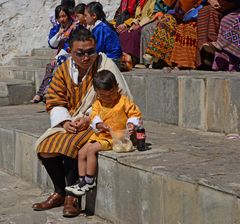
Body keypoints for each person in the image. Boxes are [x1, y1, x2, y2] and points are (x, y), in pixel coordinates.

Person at [32, 28, 132, 217]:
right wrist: (64, 122)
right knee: (44, 148)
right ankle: (60, 191)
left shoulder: (105, 65)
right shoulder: (63, 70)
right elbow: (54, 99)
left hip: (102, 122)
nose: (86, 57)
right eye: (80, 53)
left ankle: (72, 197)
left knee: (72, 145)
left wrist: (89, 118)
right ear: (70, 51)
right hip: (71, 120)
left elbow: (118, 98)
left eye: (90, 52)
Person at [65, 70, 142, 196]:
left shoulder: (124, 101)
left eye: (111, 94)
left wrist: (131, 124)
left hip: (116, 137)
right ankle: (81, 180)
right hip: (100, 135)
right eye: (103, 96)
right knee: (81, 152)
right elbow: (94, 116)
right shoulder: (97, 103)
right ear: (97, 93)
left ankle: (90, 180)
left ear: (117, 87)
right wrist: (99, 124)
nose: (108, 98)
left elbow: (135, 114)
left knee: (91, 150)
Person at [31, 5, 76, 103]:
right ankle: (42, 93)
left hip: (72, 54)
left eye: (64, 16)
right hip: (61, 55)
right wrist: (59, 34)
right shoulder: (56, 29)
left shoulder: (75, 27)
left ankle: (45, 92)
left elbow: (72, 45)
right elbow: (52, 44)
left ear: (68, 15)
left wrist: (58, 56)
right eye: (59, 17)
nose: (62, 19)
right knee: (50, 66)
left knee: (56, 63)